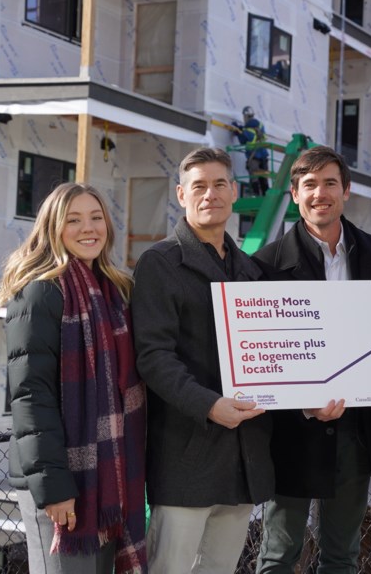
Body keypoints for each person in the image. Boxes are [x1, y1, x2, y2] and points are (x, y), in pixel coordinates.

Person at [131, 147, 274, 574]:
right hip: (185, 453)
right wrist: (210, 405)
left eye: (218, 184)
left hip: (243, 455)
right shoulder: (159, 263)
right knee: (168, 569)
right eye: (198, 186)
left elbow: (271, 357)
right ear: (181, 194)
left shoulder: (251, 270)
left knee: (219, 569)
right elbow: (153, 356)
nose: (209, 194)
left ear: (234, 192)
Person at [252, 147, 371, 574]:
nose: (320, 193)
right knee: (278, 555)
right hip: (291, 432)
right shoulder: (265, 265)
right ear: (294, 194)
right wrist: (301, 402)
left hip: (357, 429)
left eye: (330, 183)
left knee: (342, 556)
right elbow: (262, 357)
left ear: (346, 191)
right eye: (309, 185)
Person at [0, 182, 147, 574]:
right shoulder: (39, 294)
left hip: (106, 480)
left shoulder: (115, 290)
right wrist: (55, 489)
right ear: (53, 228)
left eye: (96, 218)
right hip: (63, 483)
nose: (89, 228)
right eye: (74, 220)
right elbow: (31, 396)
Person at [233, 105, 270, 195]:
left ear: (245, 116)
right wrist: (242, 129)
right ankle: (266, 196)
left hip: (254, 157)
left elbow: (243, 141)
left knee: (254, 177)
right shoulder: (260, 125)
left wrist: (238, 133)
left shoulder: (247, 130)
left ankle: (256, 195)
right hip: (264, 156)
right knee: (263, 178)